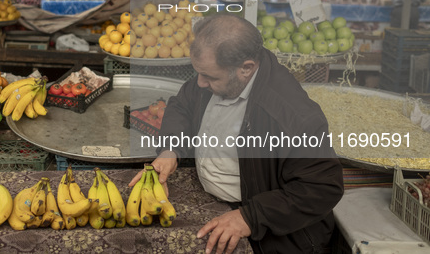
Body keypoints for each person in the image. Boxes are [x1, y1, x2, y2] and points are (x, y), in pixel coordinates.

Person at [129, 13, 344, 254]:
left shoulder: (291, 114)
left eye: (209, 76)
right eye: (198, 73)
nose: (199, 83)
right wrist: (171, 149)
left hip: (275, 236)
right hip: (215, 200)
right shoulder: (214, 78)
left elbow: (322, 188)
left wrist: (250, 217)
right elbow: (182, 105)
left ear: (246, 68)